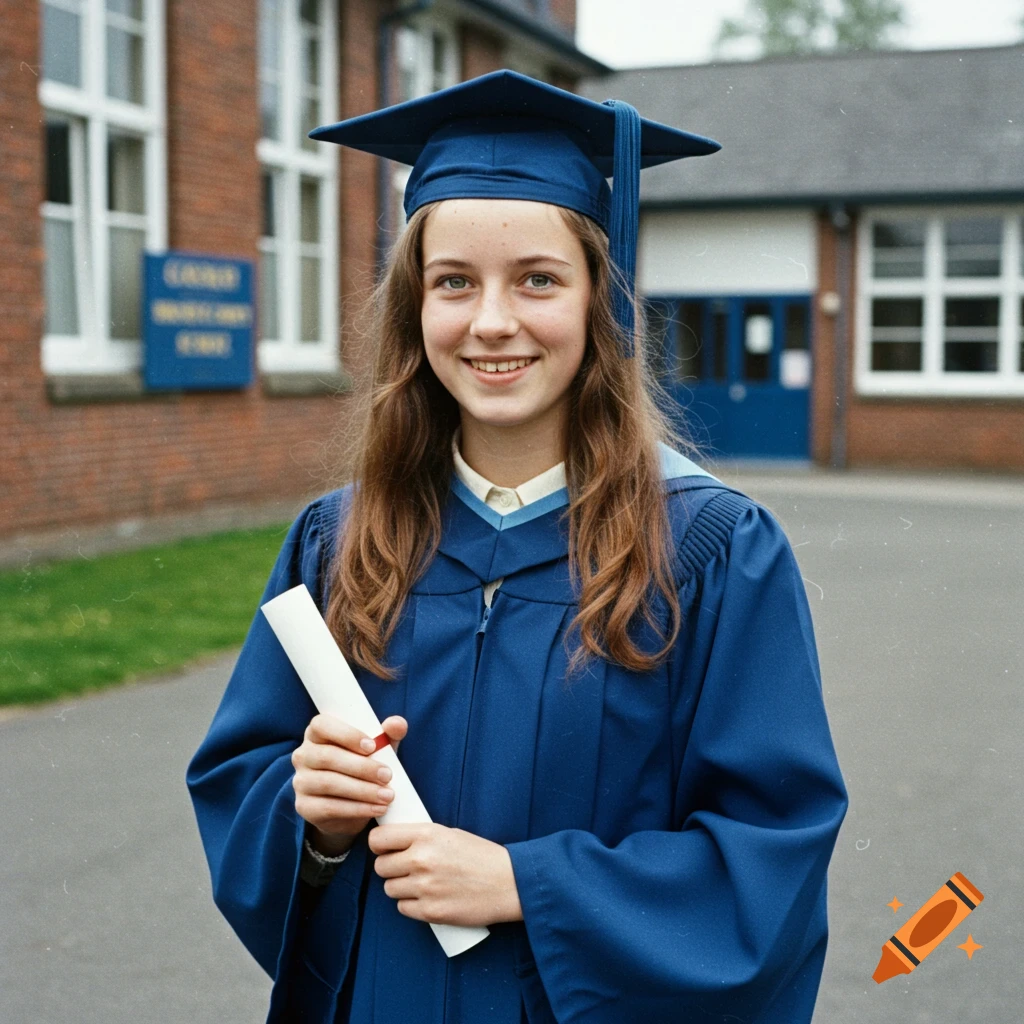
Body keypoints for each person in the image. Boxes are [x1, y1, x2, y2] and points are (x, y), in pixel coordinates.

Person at [186, 69, 848, 1024]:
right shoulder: (337, 542)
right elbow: (241, 782)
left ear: (600, 302)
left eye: (538, 279)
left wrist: (528, 885)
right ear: (417, 309)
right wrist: (314, 824)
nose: (491, 322)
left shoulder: (710, 550)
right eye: (453, 282)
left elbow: (769, 853)